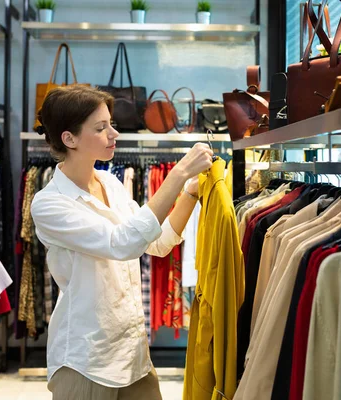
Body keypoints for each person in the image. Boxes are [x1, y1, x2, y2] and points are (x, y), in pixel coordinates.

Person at [30, 85, 214, 400]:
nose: (114, 133)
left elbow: (157, 242)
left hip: (132, 351)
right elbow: (122, 243)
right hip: (86, 360)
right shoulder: (49, 204)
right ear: (69, 138)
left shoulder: (111, 184)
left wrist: (191, 191)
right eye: (101, 128)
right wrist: (179, 173)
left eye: (111, 124)